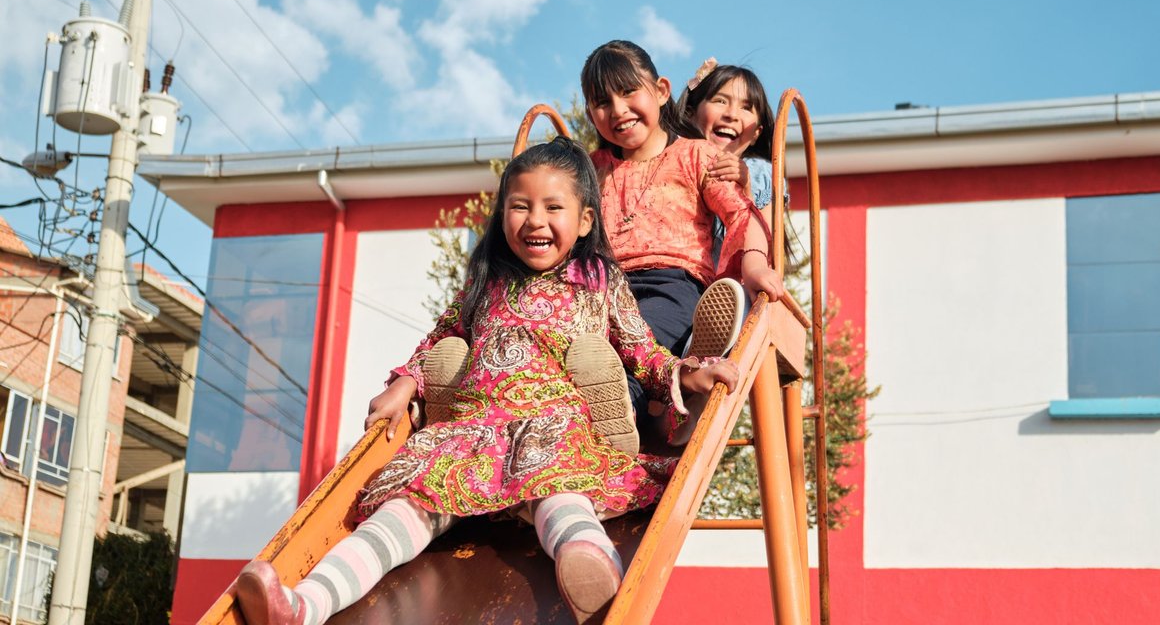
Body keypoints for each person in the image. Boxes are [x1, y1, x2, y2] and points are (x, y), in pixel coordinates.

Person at [231, 138, 739, 625]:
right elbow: (441, 334)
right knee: (403, 509)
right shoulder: (487, 283)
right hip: (472, 431)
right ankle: (303, 606)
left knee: (560, 498)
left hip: (552, 425)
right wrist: (406, 383)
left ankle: (591, 564)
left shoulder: (600, 282)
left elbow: (641, 350)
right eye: (520, 206)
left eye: (552, 208)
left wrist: (689, 373)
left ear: (585, 220)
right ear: (503, 216)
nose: (535, 220)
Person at [579, 40, 784, 442]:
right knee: (575, 348)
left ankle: (623, 422)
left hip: (670, 284)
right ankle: (660, 413)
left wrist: (756, 263)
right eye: (602, 102)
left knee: (629, 343)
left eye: (628, 92)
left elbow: (742, 212)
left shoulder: (696, 155)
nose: (618, 110)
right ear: (590, 113)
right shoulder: (589, 171)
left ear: (660, 91)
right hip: (600, 292)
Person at [678, 59, 788, 265]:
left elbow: (770, 254)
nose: (731, 115)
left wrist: (745, 190)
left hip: (736, 285)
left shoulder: (762, 175)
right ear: (690, 114)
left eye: (746, 107)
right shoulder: (672, 161)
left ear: (756, 133)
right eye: (720, 101)